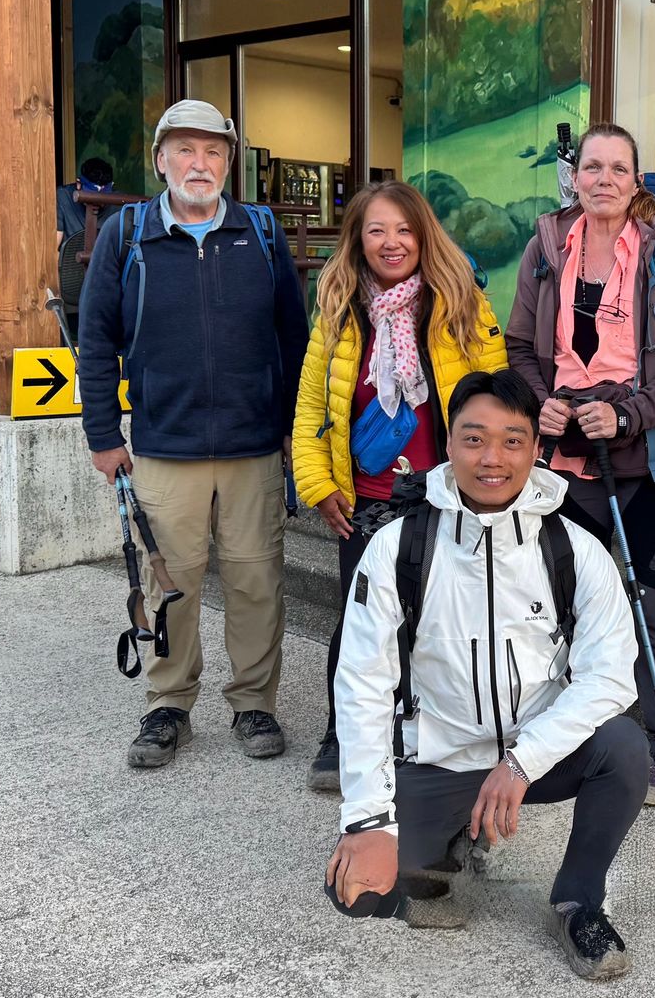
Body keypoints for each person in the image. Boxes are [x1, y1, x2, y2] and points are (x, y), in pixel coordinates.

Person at [326, 369, 646, 981]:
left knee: (624, 747)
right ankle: (446, 843)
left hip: (533, 761)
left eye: (512, 440)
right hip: (437, 759)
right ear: (448, 443)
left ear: (535, 448)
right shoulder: (398, 547)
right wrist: (366, 821)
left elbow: (609, 679)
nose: (492, 459)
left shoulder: (575, 549)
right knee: (368, 896)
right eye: (473, 439)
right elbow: (362, 684)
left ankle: (579, 898)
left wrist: (523, 761)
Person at [76, 99, 309, 769]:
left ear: (229, 163)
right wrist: (101, 433)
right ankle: (167, 703)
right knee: (168, 582)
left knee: (256, 579)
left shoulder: (261, 233)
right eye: (184, 150)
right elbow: (96, 343)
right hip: (161, 445)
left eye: (212, 152)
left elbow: (294, 344)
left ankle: (254, 701)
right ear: (160, 160)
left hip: (254, 445)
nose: (198, 164)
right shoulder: (128, 236)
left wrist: (297, 430)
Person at [505, 121, 655, 806]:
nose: (603, 180)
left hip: (648, 462)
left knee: (652, 606)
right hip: (565, 461)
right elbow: (519, 351)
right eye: (592, 167)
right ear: (576, 175)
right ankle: (567, 735)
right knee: (560, 602)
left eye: (618, 169)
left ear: (635, 181)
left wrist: (628, 414)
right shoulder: (545, 250)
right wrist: (544, 406)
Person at [292, 179, 508, 792]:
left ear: (424, 234)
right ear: (358, 240)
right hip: (364, 498)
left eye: (404, 229)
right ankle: (342, 735)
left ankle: (429, 735)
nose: (392, 242)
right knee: (362, 622)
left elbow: (497, 395)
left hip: (445, 493)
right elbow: (311, 408)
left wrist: (491, 476)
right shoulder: (338, 310)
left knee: (438, 620)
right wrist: (316, 484)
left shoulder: (459, 303)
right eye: (377, 230)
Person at [58, 157, 116, 242]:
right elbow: (52, 248)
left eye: (103, 197)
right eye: (92, 195)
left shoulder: (119, 203)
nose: (97, 201)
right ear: (78, 184)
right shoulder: (62, 197)